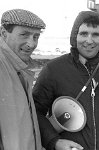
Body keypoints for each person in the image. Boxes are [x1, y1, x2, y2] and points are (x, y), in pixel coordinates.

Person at [33, 11, 99, 150]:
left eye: (95, 34)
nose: (89, 40)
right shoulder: (53, 70)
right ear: (74, 36)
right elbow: (35, 112)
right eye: (83, 34)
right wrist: (54, 142)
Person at [0, 9, 46, 150]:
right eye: (24, 35)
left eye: (36, 37)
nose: (31, 44)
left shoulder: (19, 69)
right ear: (3, 33)